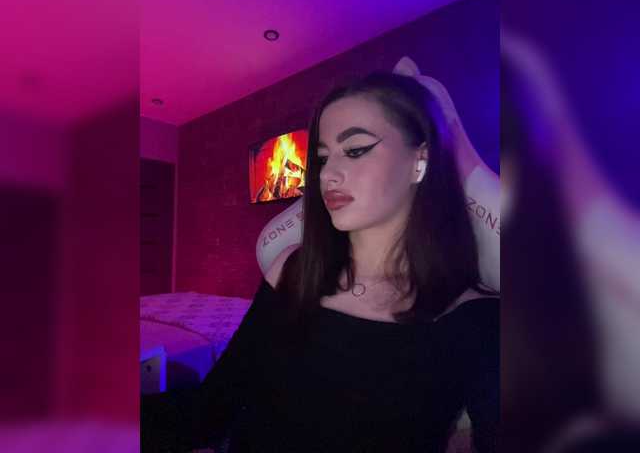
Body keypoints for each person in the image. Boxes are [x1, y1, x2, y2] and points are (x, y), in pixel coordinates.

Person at [141, 64, 499, 452]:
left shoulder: (476, 318)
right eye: (322, 158)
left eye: (355, 150)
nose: (327, 174)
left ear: (420, 161)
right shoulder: (293, 270)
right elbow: (211, 408)